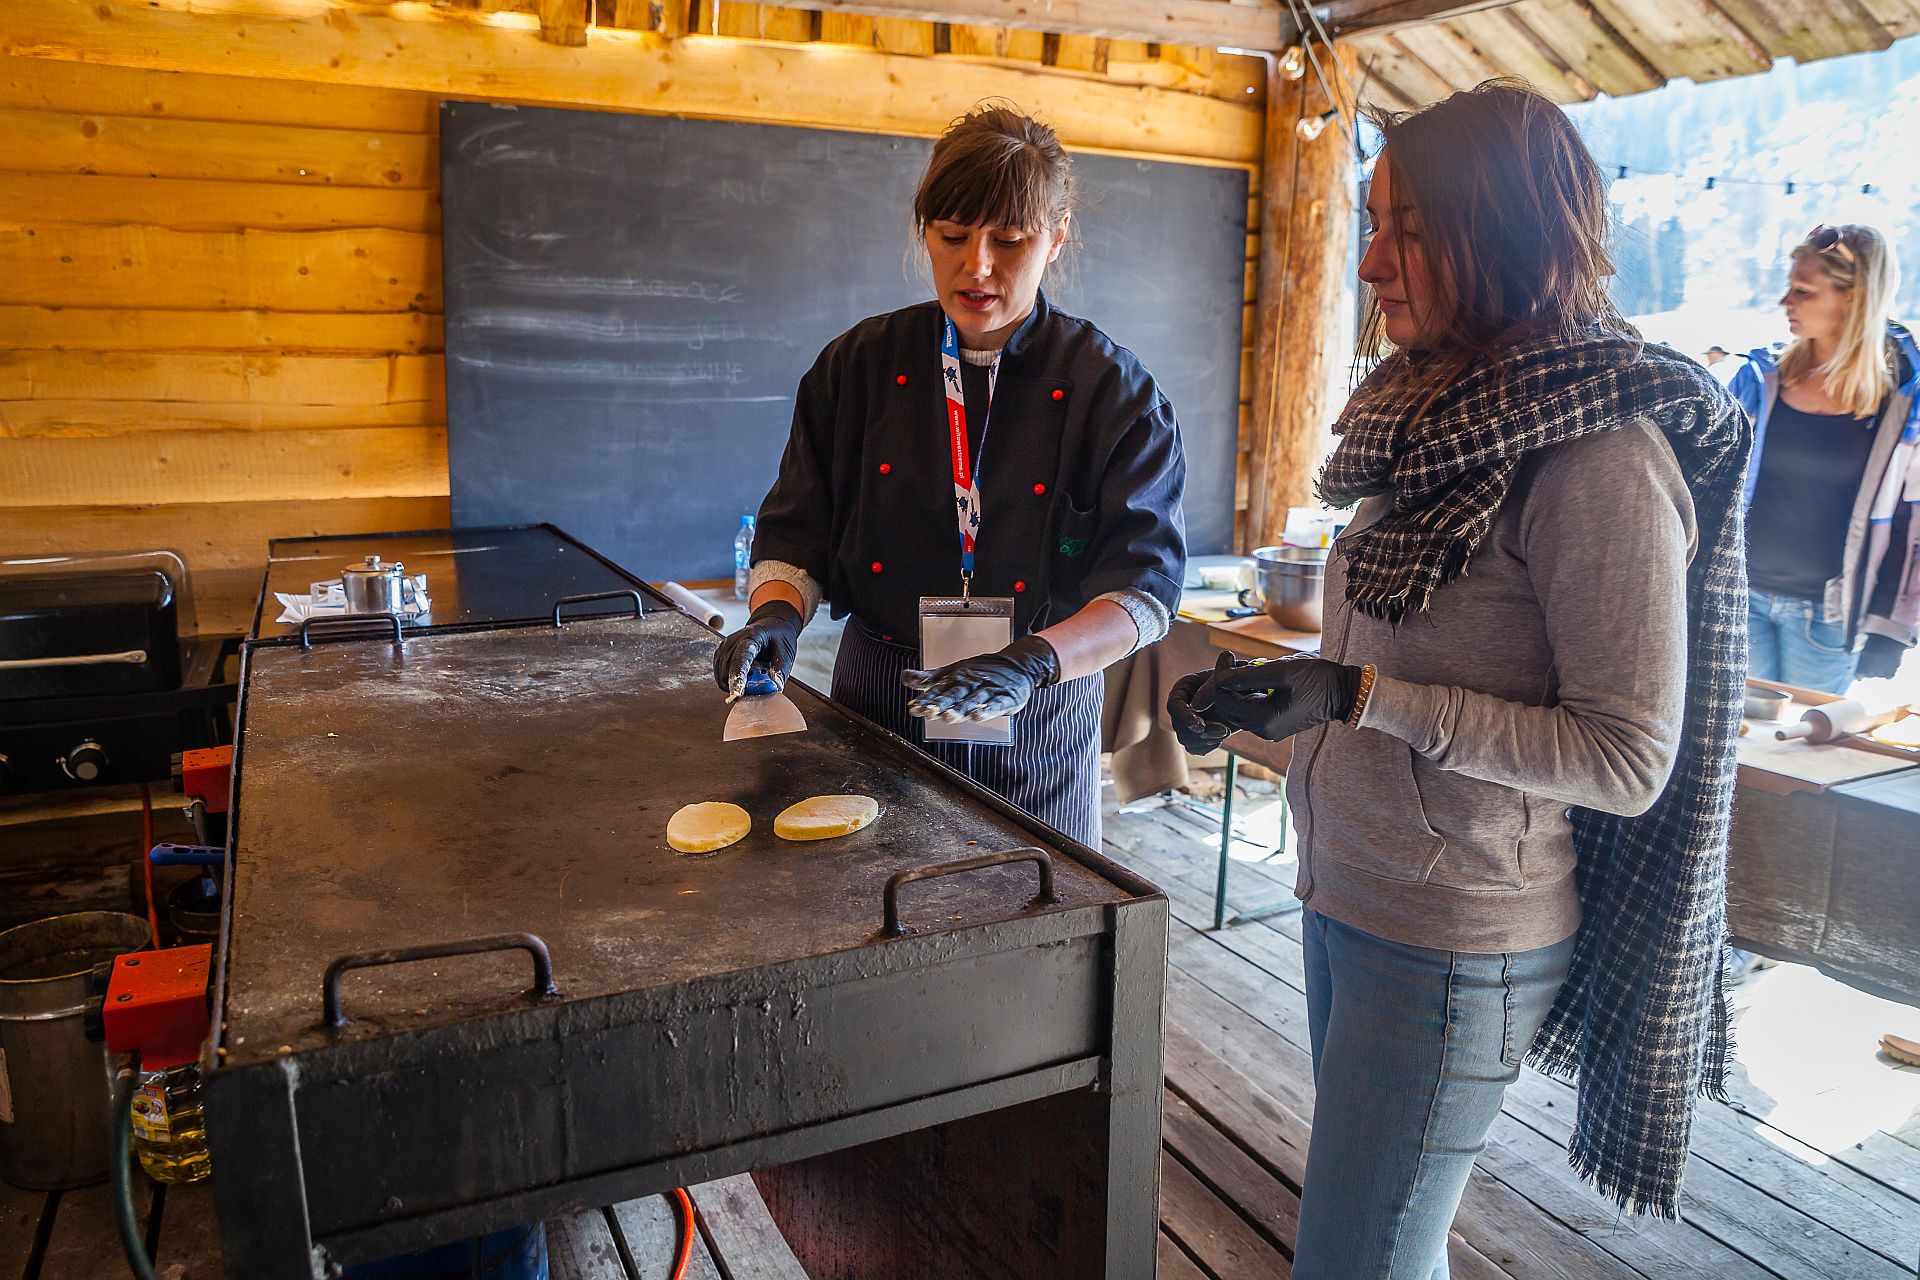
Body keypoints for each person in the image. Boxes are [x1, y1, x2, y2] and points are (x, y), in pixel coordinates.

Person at [1167, 80, 1751, 1278]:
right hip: (1356, 894)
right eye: (1374, 222)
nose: (1372, 259)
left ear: (1505, 233)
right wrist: (1294, 696)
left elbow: (1626, 756)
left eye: (1409, 228)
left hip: (1454, 932)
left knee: (1356, 1256)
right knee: (1380, 1247)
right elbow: (1394, 657)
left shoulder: (1599, 455)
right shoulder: (1428, 411)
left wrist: (1358, 699)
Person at [713, 105, 1186, 848]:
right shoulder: (858, 367)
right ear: (923, 230)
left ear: (1057, 236)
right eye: (954, 237)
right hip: (877, 701)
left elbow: (1145, 593)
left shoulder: (1114, 392)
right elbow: (797, 533)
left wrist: (1031, 663)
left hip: (1038, 709)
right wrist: (773, 618)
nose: (978, 267)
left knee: (1035, 930)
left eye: (1011, 240)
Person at [1730, 224, 1919, 692]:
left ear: (1853, 299)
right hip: (1739, 602)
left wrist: (1890, 627)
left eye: (1803, 291)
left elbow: (1912, 524)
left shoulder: (1905, 404)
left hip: (1829, 616)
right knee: (1736, 755)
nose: (1784, 302)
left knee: (1803, 761)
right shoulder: (1759, 380)